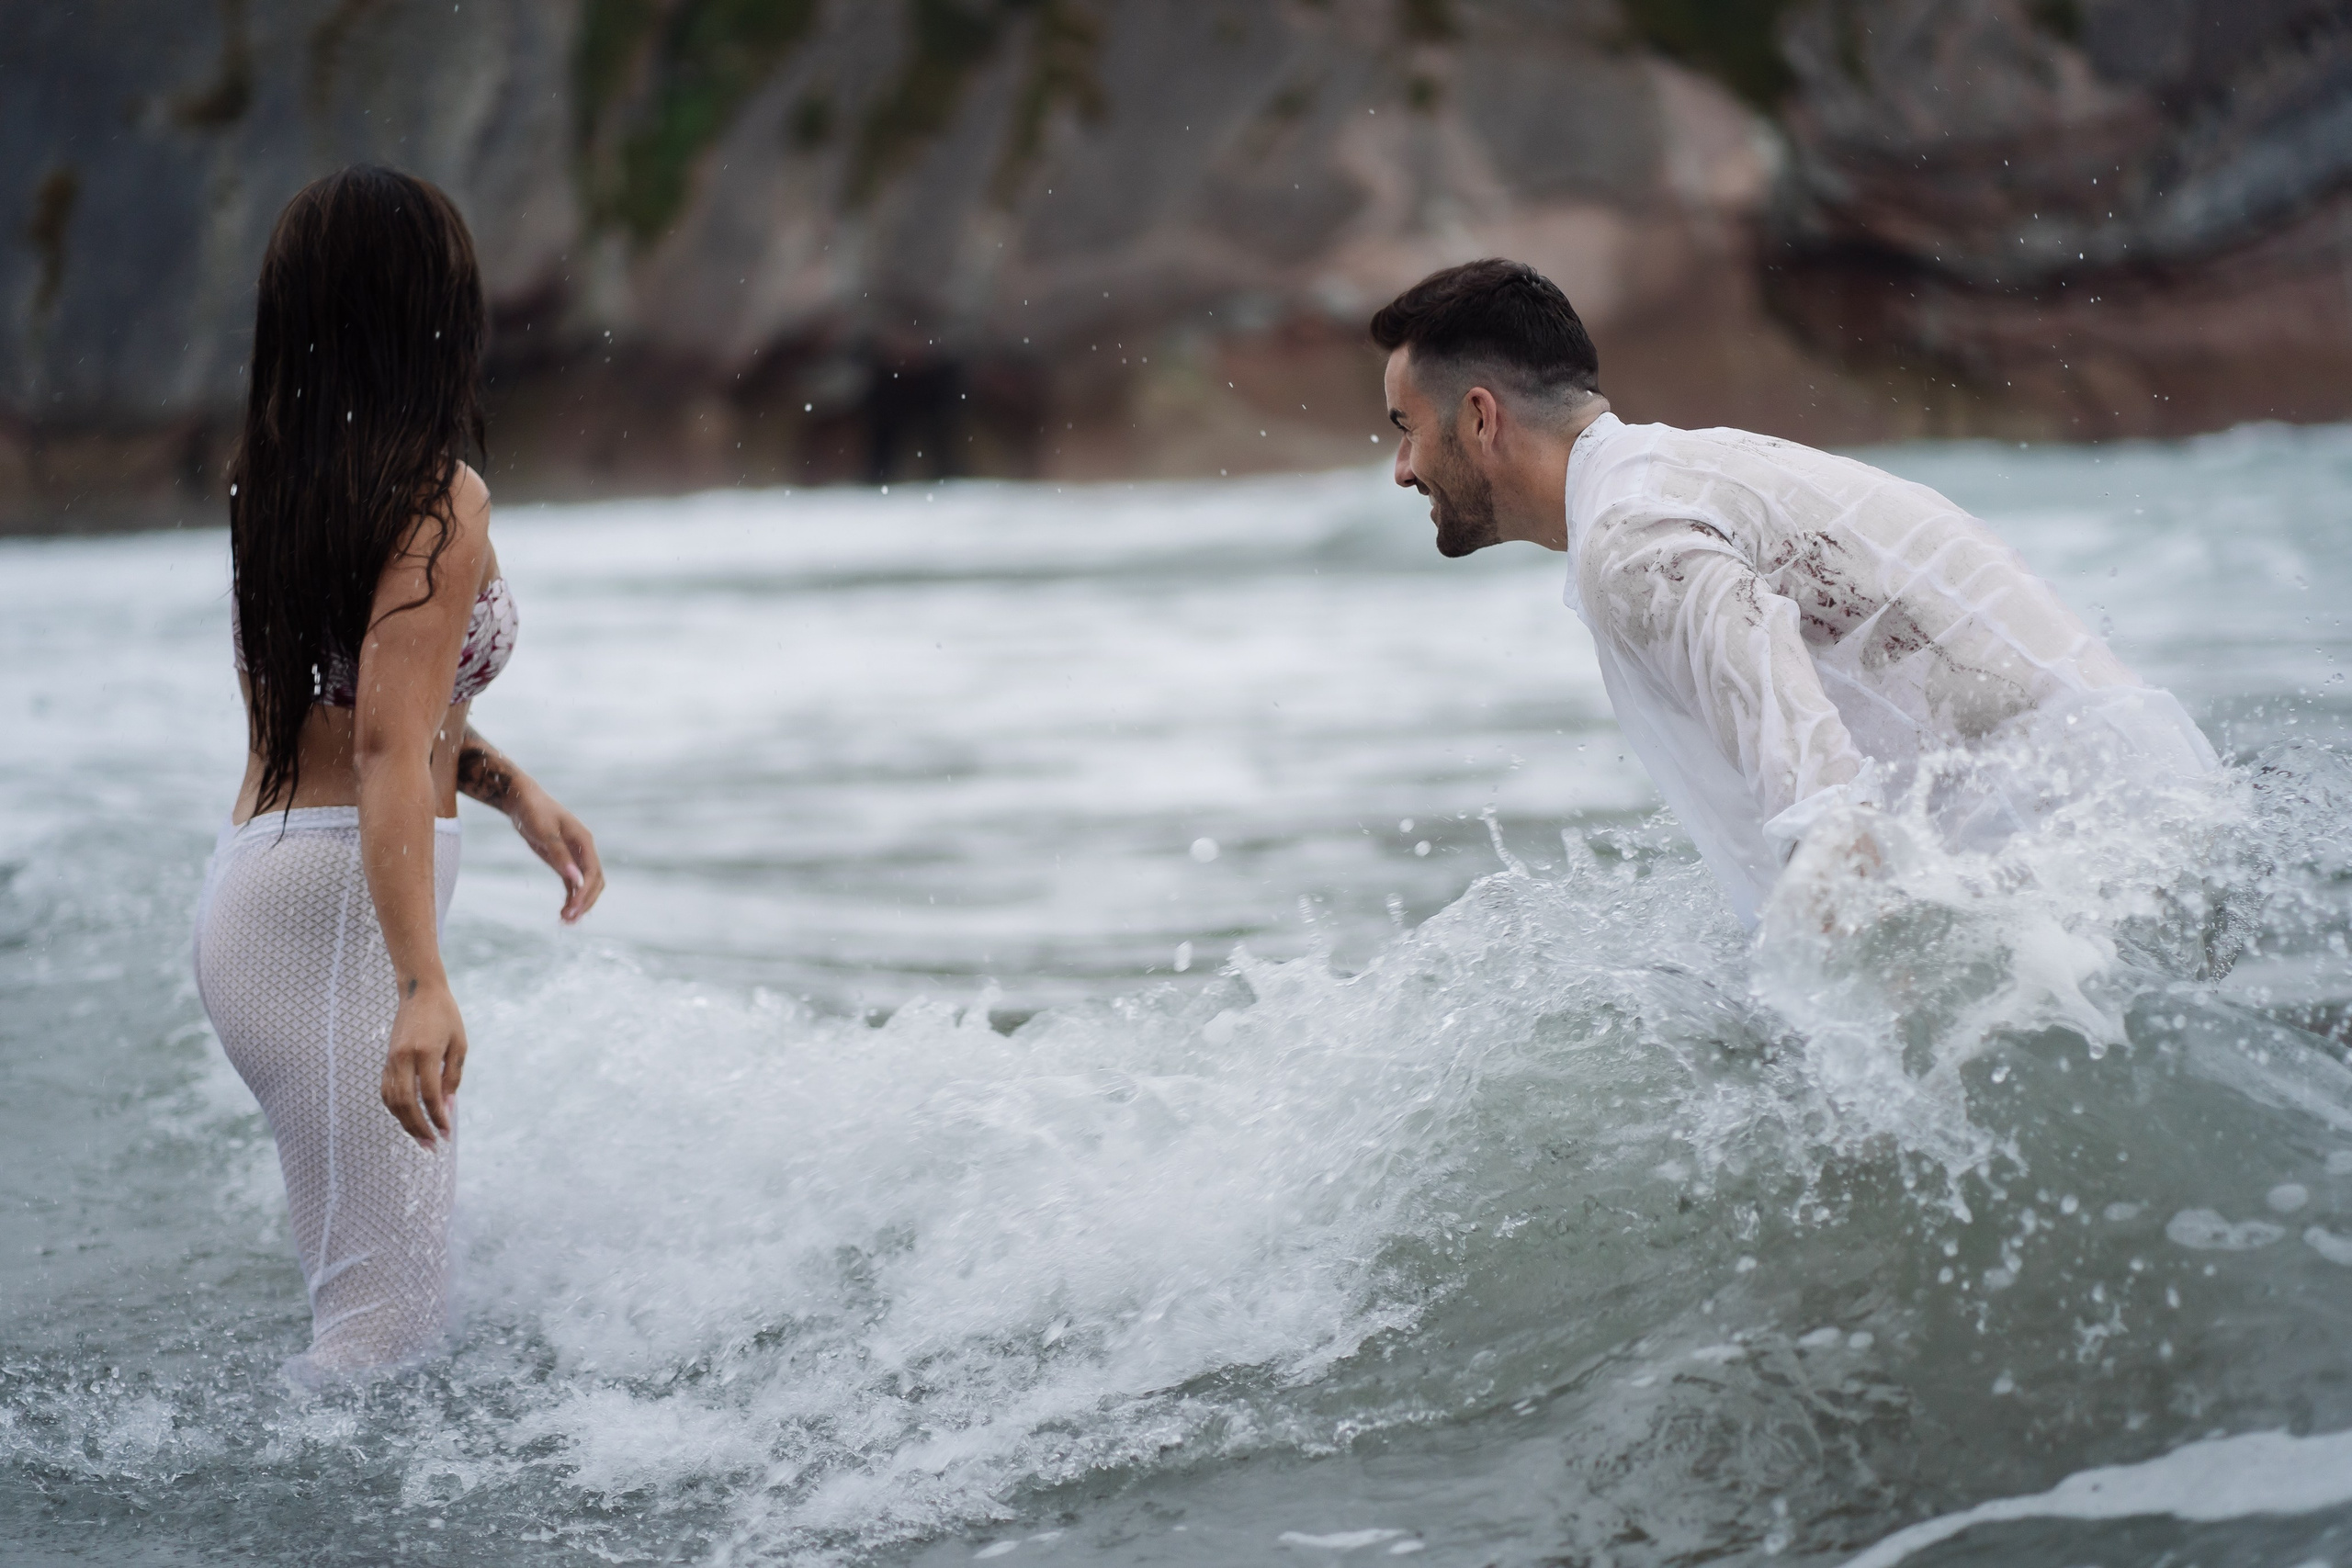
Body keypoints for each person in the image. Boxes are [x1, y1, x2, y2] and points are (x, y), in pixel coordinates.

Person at [1372, 258, 2217, 928]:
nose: (1403, 468)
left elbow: (1811, 777)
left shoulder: (1632, 538)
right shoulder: (1685, 474)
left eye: (1406, 429)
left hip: (2083, 874)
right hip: (2141, 838)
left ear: (1481, 418)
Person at [192, 166, 604, 1384]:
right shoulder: (438, 498)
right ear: (427, 308)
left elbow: (358, 706)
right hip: (329, 922)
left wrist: (507, 783)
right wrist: (423, 980)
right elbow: (380, 743)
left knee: (366, 1323)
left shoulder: (279, 476)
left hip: (267, 898)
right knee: (385, 1339)